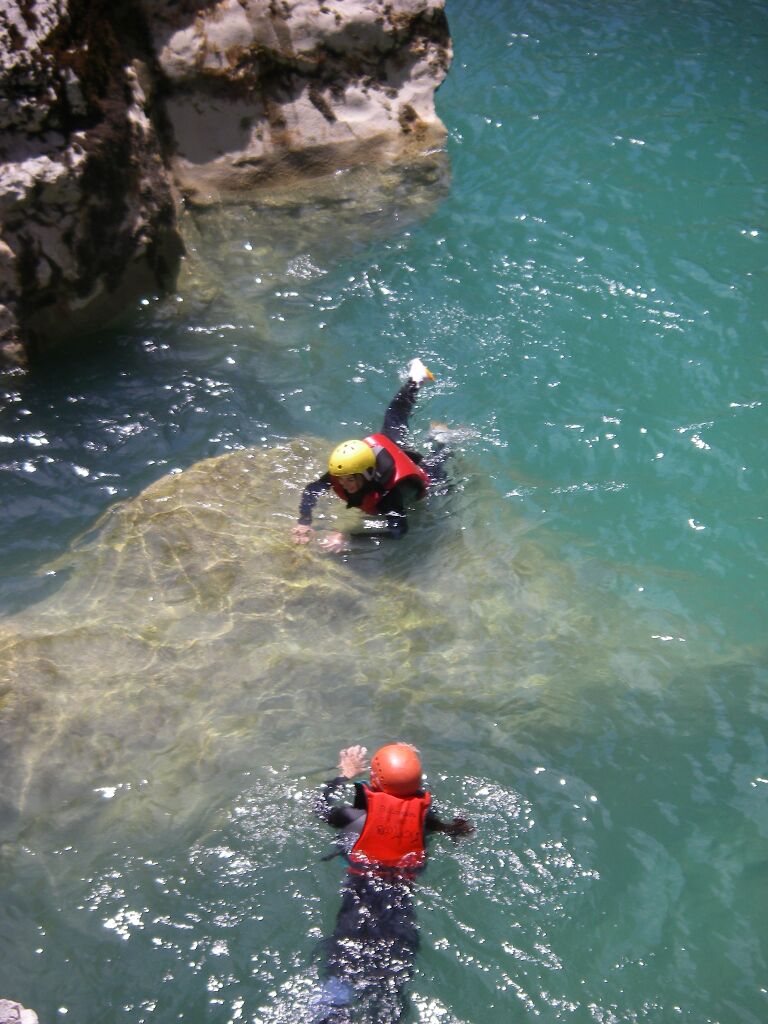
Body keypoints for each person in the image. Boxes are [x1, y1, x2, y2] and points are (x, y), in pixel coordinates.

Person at [310, 743, 473, 1023]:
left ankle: (330, 1015)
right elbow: (446, 828)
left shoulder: (353, 817)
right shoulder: (424, 820)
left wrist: (343, 775)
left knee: (343, 967)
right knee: (390, 983)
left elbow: (320, 807)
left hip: (358, 901)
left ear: (374, 780)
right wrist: (455, 828)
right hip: (399, 910)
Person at [292, 359, 452, 553]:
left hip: (425, 478)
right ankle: (416, 379)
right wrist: (304, 520)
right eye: (341, 480)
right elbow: (312, 490)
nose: (343, 485)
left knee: (438, 462)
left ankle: (443, 440)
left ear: (367, 474)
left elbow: (398, 531)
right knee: (394, 417)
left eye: (350, 480)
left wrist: (351, 537)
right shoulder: (346, 470)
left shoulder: (389, 497)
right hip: (390, 449)